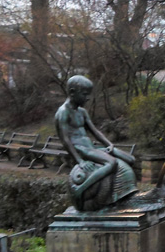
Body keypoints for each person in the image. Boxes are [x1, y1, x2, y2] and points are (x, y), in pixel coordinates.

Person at [55, 75, 136, 209]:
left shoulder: (82, 112)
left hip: (91, 147)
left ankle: (125, 196)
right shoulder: (63, 112)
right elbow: (65, 140)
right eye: (85, 94)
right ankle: (79, 190)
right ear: (72, 92)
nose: (87, 98)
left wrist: (109, 144)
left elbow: (95, 131)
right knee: (112, 163)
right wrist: (80, 161)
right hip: (81, 149)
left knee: (130, 159)